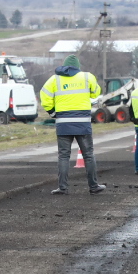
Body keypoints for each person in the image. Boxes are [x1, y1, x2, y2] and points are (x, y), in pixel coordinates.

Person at [38, 54, 105, 194]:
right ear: (78, 66)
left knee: (63, 156)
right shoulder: (87, 77)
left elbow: (44, 96)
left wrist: (52, 112)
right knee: (88, 155)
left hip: (63, 123)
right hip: (83, 124)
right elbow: (96, 93)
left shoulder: (54, 79)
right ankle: (93, 186)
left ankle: (62, 188)